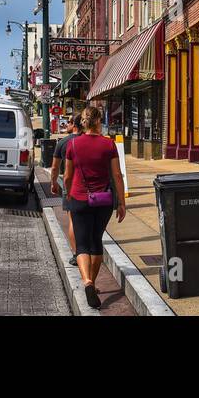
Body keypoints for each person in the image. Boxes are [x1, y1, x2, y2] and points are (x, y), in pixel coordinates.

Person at [62, 106, 125, 310]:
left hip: (79, 198)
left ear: (83, 123)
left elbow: (68, 176)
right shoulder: (108, 145)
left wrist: (69, 192)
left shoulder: (73, 144)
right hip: (103, 200)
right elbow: (117, 175)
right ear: (98, 121)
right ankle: (93, 282)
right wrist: (122, 202)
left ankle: (87, 281)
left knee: (82, 244)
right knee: (96, 241)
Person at [51, 116, 84, 267]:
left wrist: (53, 183)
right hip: (90, 186)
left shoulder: (63, 142)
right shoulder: (88, 140)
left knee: (73, 220)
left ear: (74, 125)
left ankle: (77, 254)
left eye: (69, 122)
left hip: (70, 184)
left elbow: (54, 167)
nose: (67, 125)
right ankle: (88, 251)